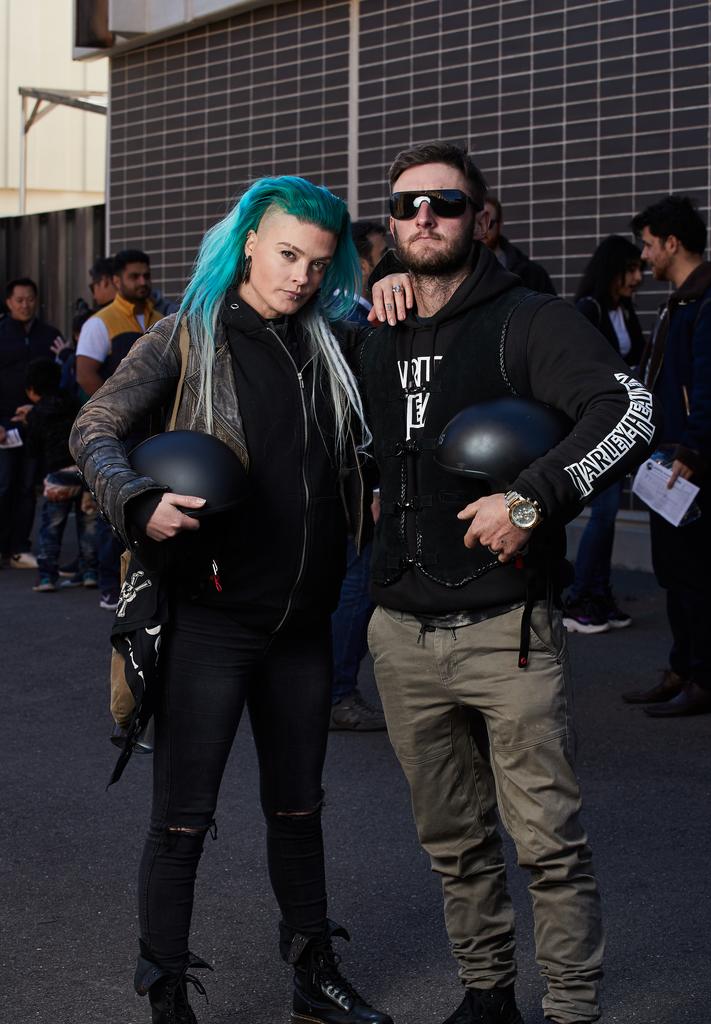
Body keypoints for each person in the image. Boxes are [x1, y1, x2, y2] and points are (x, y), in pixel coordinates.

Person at [70, 176, 392, 1024]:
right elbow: (94, 426)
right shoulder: (185, 336)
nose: (300, 277)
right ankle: (166, 995)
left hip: (301, 627)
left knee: (299, 808)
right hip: (209, 623)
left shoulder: (332, 345)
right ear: (250, 241)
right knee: (183, 821)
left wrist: (395, 287)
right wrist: (136, 498)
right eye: (287, 254)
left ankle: (312, 974)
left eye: (319, 264)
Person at [362, 142, 660, 1024]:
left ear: (479, 218)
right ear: (389, 223)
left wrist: (532, 500)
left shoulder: (529, 319)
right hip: (401, 631)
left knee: (548, 847)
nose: (424, 219)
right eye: (407, 206)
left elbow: (631, 411)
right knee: (452, 842)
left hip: (507, 630)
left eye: (444, 205)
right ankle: (486, 995)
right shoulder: (372, 326)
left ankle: (571, 1010)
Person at [622, 196, 711, 717]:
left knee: (694, 575)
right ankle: (682, 668)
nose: (645, 255)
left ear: (672, 243)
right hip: (671, 459)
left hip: (688, 463)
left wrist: (692, 450)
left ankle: (706, 681)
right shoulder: (685, 300)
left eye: (649, 244)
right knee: (675, 571)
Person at [562, 235, 645, 633]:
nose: (639, 276)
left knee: (608, 515)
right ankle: (579, 598)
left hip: (624, 423)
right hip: (598, 425)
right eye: (632, 269)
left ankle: (598, 594)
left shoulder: (623, 310)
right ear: (614, 270)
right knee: (605, 511)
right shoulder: (588, 309)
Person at [76, 249, 164, 610]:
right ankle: (108, 583)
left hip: (156, 431)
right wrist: (119, 414)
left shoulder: (162, 318)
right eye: (134, 276)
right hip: (121, 431)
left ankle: (142, 580)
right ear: (116, 281)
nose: (142, 282)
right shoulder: (100, 323)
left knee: (150, 506)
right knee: (114, 508)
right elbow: (85, 374)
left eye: (146, 275)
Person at [329, 220, 388, 731]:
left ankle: (330, 689)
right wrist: (370, 483)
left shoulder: (336, 312)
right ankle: (337, 693)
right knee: (356, 581)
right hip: (352, 479)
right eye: (383, 254)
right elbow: (356, 412)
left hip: (341, 476)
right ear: (363, 262)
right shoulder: (354, 319)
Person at [15, 359, 98, 592]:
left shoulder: (38, 413)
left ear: (31, 390)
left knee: (51, 527)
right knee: (88, 524)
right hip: (83, 471)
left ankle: (46, 577)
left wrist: (28, 421)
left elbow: (32, 448)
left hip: (59, 475)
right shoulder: (72, 401)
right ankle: (90, 572)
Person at [0, 277, 65, 570]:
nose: (25, 305)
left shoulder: (50, 335)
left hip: (36, 425)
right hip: (3, 425)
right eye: (19, 300)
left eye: (30, 299)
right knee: (3, 485)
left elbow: (60, 381)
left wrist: (41, 410)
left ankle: (18, 548)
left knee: (27, 487)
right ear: (8, 302)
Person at [482, 196, 557, 294]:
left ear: (499, 225)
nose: (482, 230)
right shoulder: (459, 268)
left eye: (489, 224)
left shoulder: (531, 273)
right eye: (478, 223)